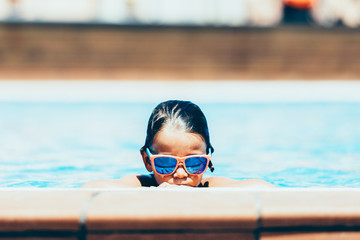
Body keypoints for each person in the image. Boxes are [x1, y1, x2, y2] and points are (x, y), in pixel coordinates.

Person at [82, 100, 274, 188]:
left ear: (208, 159)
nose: (181, 174)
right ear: (147, 161)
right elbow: (90, 189)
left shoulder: (210, 187)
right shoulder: (141, 186)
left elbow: (265, 190)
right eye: (166, 163)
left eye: (194, 163)